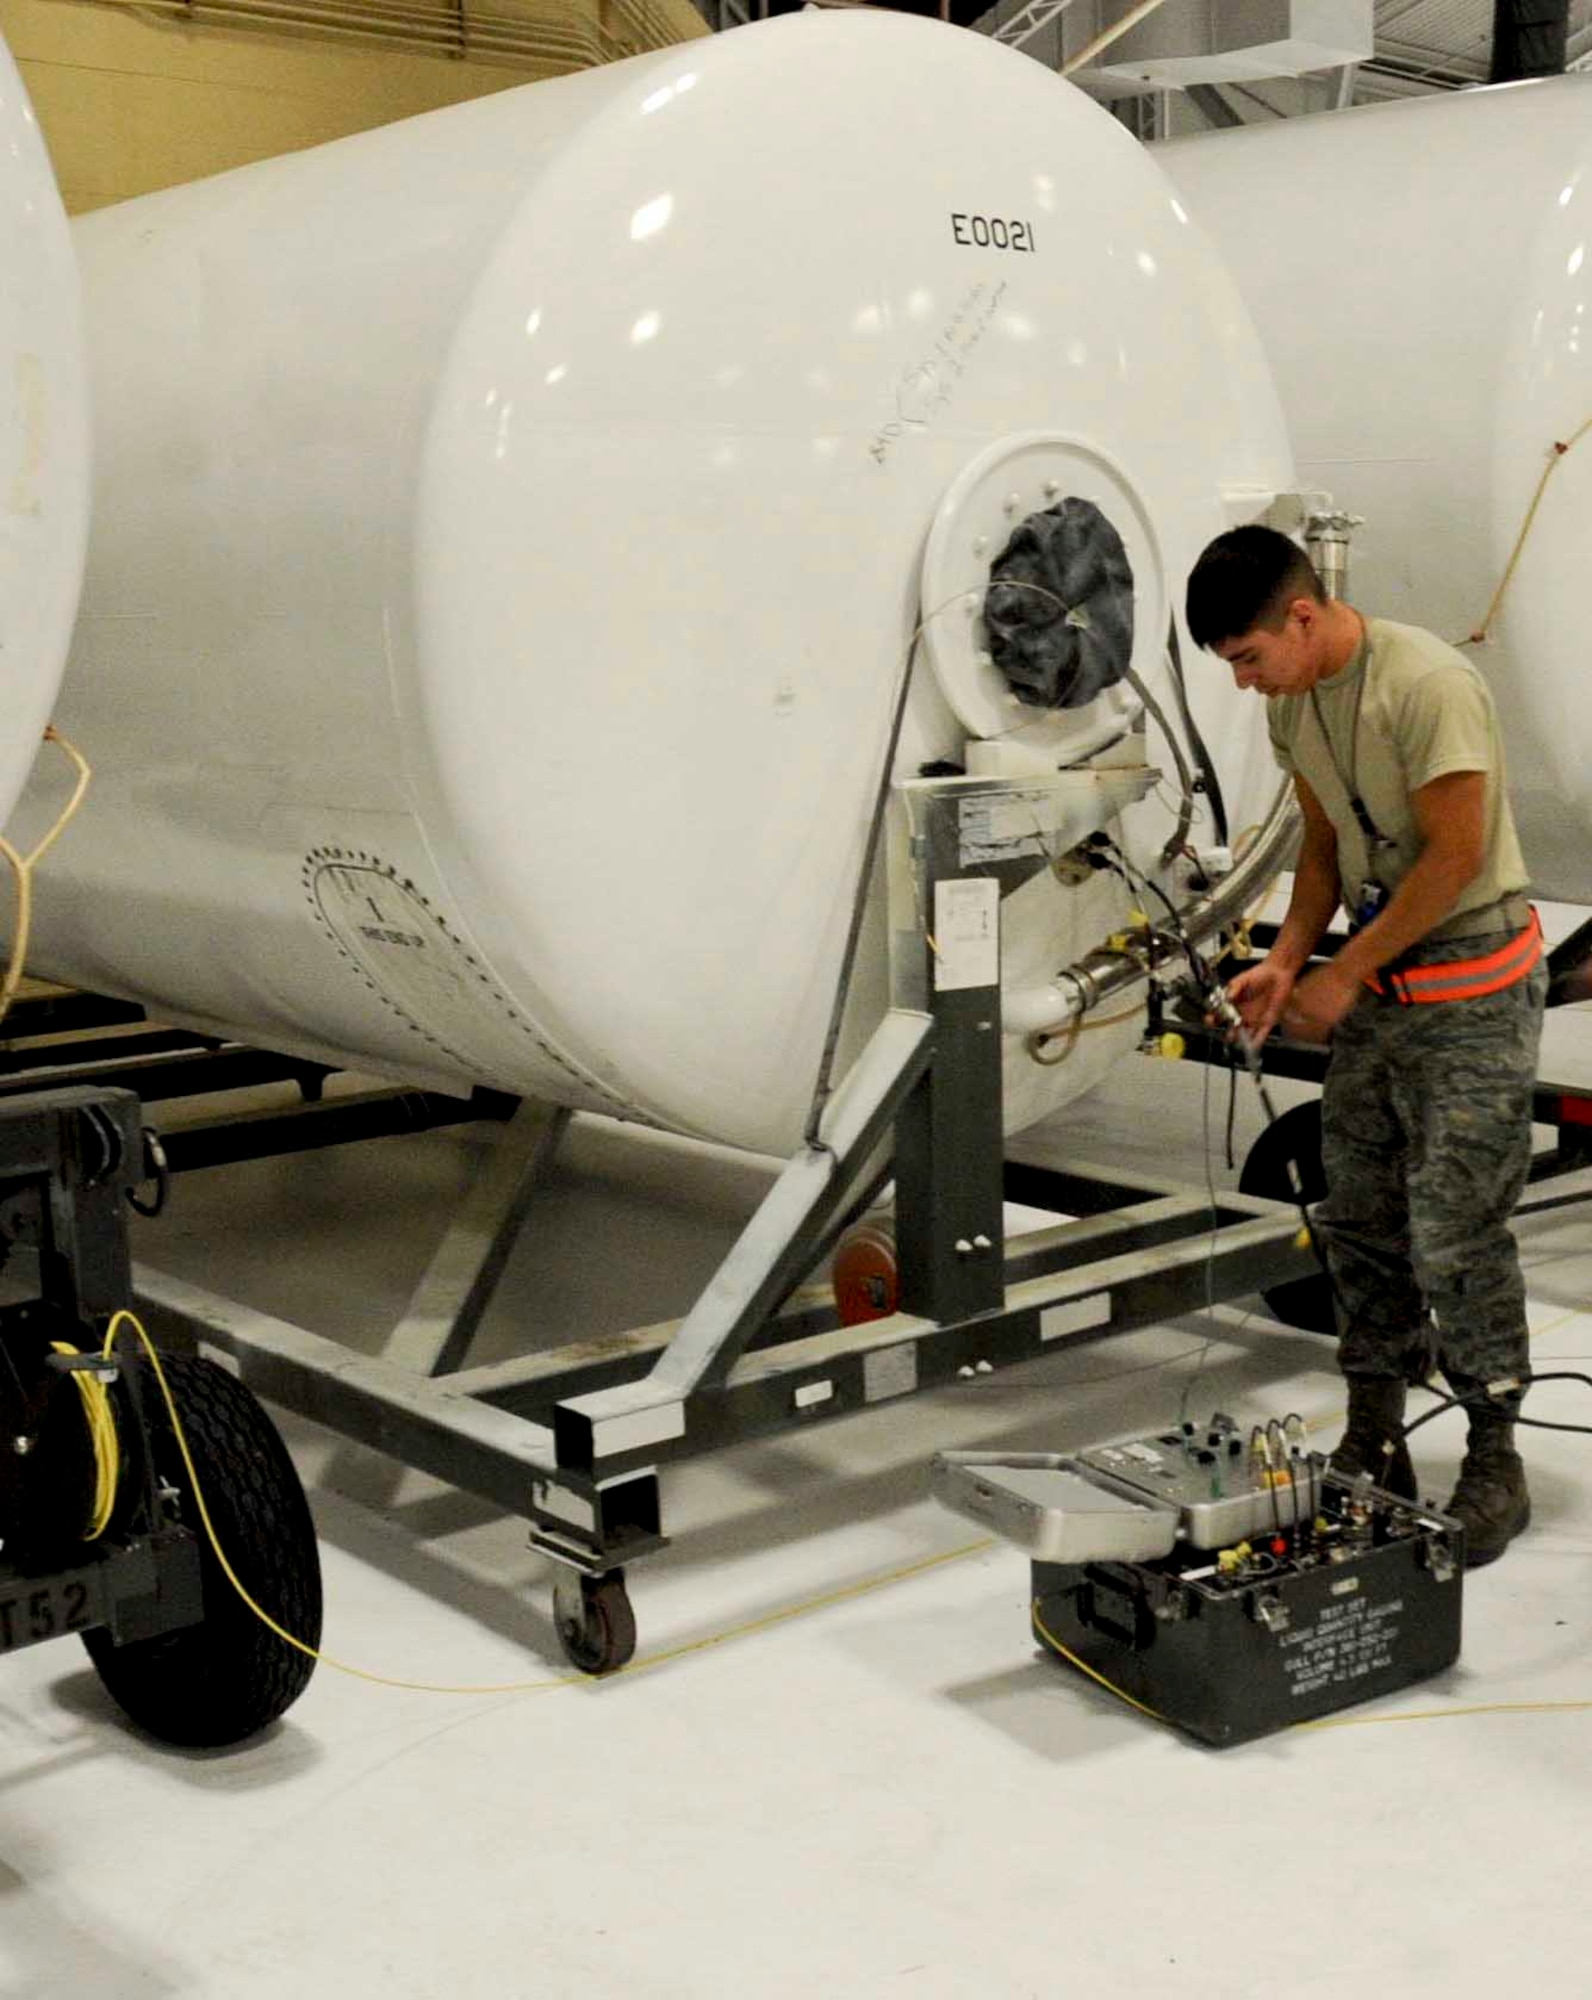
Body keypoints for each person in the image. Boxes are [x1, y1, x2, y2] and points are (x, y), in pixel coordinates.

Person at [1185, 525, 1546, 1567]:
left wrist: (1341, 974)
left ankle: (1491, 1457)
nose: (1246, 684)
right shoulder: (1296, 705)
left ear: (1301, 616)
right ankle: (1373, 1429)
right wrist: (1290, 958)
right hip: (1381, 990)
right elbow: (1322, 842)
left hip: (1470, 988)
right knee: (1360, 1217)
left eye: (1249, 657)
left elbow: (1453, 856)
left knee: (1457, 1230)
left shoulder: (1424, 682)